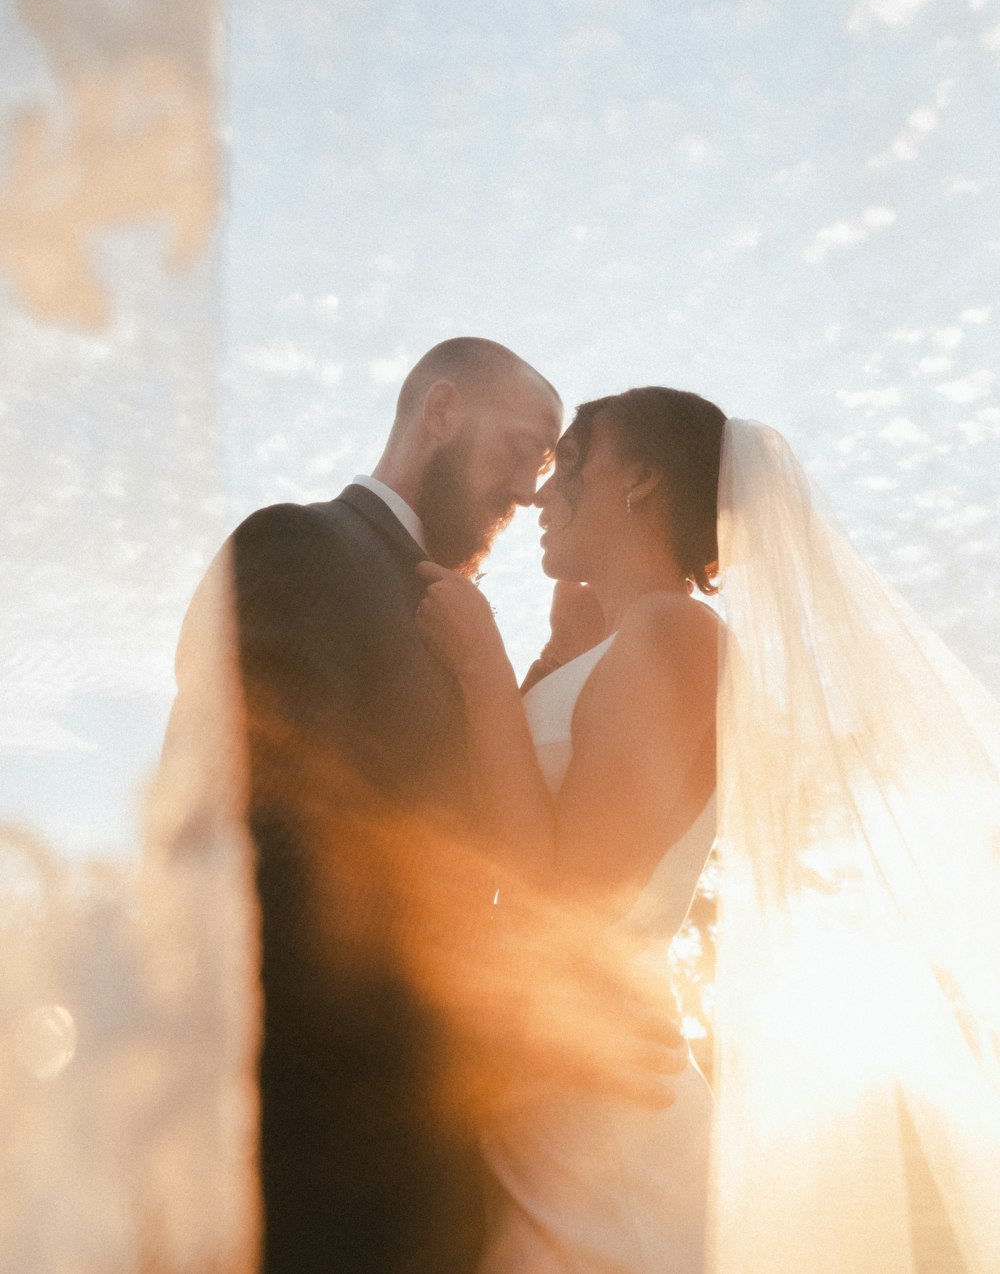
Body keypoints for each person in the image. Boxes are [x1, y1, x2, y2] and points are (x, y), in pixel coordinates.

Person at [415, 385, 1000, 1274]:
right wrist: (548, 664)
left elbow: (563, 901)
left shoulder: (680, 633)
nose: (539, 494)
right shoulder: (619, 643)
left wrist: (482, 663)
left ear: (639, 479)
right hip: (550, 1088)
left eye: (569, 461)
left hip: (601, 1134)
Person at [160, 339, 688, 1274]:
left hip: (452, 1181)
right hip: (322, 1178)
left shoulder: (453, 617)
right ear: (441, 412)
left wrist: (547, 674)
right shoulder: (301, 546)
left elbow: (474, 856)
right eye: (526, 452)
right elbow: (264, 864)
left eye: (550, 467)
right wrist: (517, 1018)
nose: (532, 492)